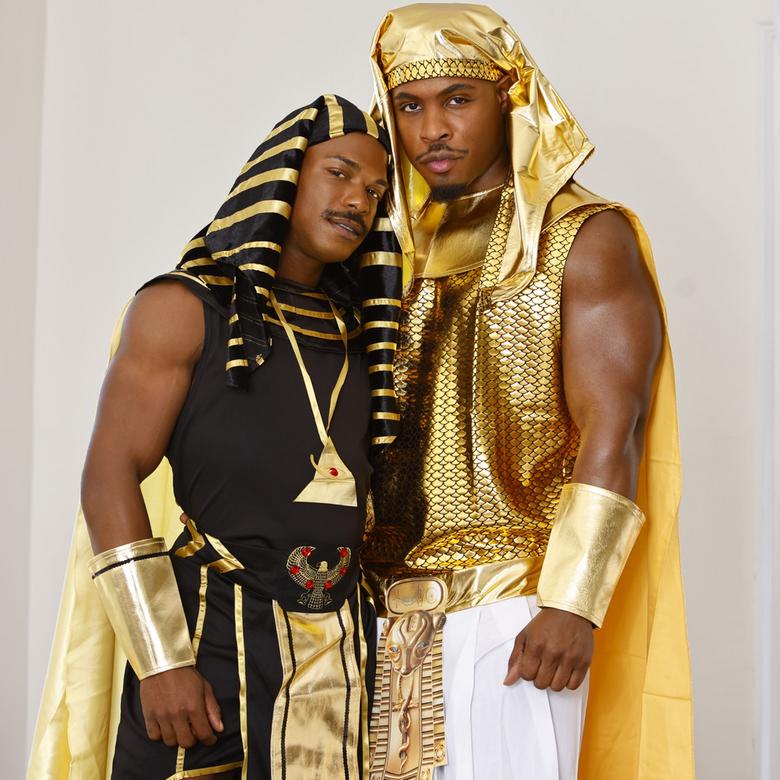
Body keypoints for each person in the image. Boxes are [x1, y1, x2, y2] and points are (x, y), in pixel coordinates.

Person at [362, 5, 694, 779]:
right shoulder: (383, 251)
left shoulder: (582, 234)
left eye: (457, 99)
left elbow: (615, 425)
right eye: (410, 106)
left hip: (514, 613)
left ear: (509, 97)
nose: (432, 128)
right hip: (376, 616)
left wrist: (573, 601)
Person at [28, 95, 403, 779]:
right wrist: (159, 658)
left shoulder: (367, 336)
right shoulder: (184, 306)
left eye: (376, 191)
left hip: (339, 660)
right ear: (284, 175)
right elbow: (109, 472)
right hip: (205, 642)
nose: (358, 201)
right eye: (339, 174)